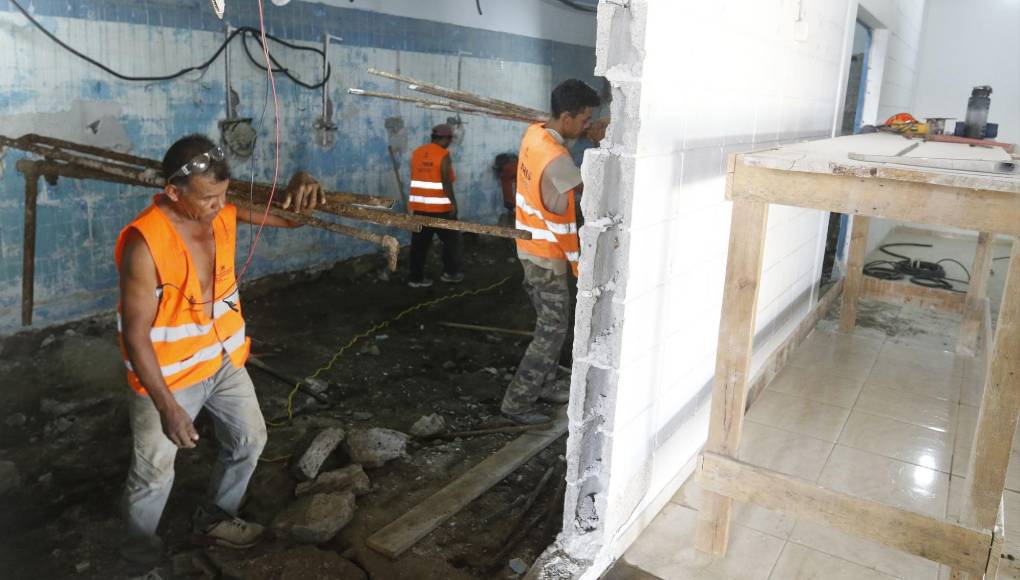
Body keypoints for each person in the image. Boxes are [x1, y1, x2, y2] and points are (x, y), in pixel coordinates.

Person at [116, 134, 325, 564]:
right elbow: (135, 336)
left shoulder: (223, 213)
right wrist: (168, 407)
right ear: (173, 191)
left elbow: (293, 219)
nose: (218, 205)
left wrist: (303, 181)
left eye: (224, 194)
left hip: (223, 360)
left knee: (250, 439)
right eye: (208, 197)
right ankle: (137, 557)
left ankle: (215, 518)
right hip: (169, 377)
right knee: (153, 474)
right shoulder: (145, 243)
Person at [502, 79, 603, 425]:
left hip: (528, 247)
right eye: (586, 119)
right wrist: (603, 146)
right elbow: (589, 190)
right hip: (547, 258)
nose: (588, 125)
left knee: (550, 325)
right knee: (551, 332)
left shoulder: (534, 134)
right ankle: (517, 402)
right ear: (566, 116)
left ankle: (544, 383)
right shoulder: (558, 160)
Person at [407, 124, 463, 287]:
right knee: (452, 241)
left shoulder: (417, 153)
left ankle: (415, 279)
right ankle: (450, 273)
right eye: (449, 139)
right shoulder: (443, 154)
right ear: (443, 138)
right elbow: (446, 181)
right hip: (440, 209)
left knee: (418, 246)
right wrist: (453, 204)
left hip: (419, 208)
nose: (450, 143)